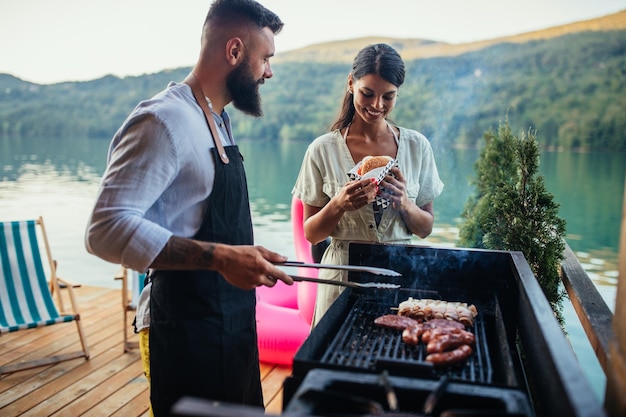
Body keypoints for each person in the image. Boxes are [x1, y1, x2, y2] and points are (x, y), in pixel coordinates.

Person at [84, 1, 292, 415]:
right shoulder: (163, 120)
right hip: (185, 332)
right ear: (234, 51)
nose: (269, 71)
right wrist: (219, 257)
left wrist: (240, 256)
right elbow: (103, 229)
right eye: (265, 59)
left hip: (232, 326)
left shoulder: (216, 119)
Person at [292, 43, 444, 327]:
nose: (377, 106)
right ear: (351, 84)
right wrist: (338, 204)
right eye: (368, 93)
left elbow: (425, 228)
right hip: (340, 282)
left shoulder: (416, 146)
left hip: (398, 283)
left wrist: (405, 204)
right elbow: (311, 233)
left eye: (388, 96)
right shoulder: (322, 149)